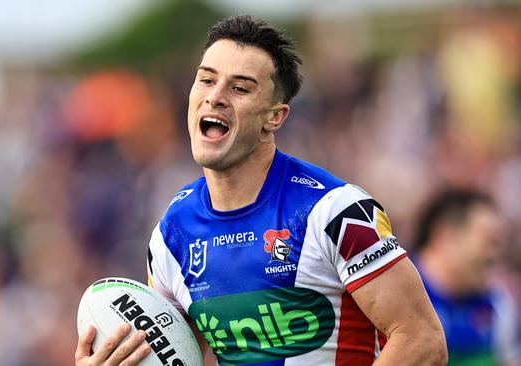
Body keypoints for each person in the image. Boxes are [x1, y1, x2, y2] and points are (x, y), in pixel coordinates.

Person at [76, 15, 447, 366]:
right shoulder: (171, 235)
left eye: (239, 88)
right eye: (206, 80)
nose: (215, 96)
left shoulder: (336, 212)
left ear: (275, 116)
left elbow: (422, 340)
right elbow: (176, 356)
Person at [414, 188, 520, 365]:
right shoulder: (394, 297)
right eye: (489, 241)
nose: (495, 256)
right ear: (444, 237)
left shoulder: (499, 305)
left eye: (500, 244)